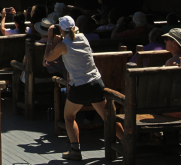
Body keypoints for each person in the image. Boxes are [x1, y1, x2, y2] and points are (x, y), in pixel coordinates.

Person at [44, 16, 124, 160]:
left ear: (61, 29)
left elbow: (48, 59)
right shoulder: (83, 38)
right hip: (96, 82)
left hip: (80, 86)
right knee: (108, 117)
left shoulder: (64, 45)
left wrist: (50, 39)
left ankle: (75, 150)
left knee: (68, 116)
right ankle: (126, 143)